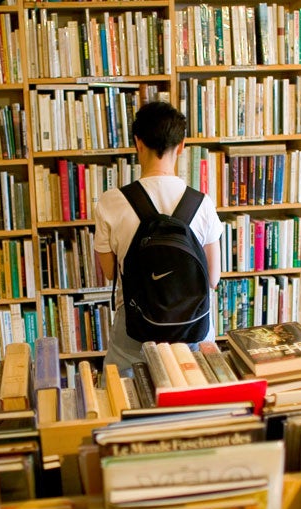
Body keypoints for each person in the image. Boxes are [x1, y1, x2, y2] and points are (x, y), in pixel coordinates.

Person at [94, 101, 223, 372]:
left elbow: (108, 272)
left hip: (135, 333)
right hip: (193, 331)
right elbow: (212, 279)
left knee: (123, 398)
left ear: (138, 143)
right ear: (182, 145)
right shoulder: (202, 203)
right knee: (195, 401)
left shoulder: (110, 202)